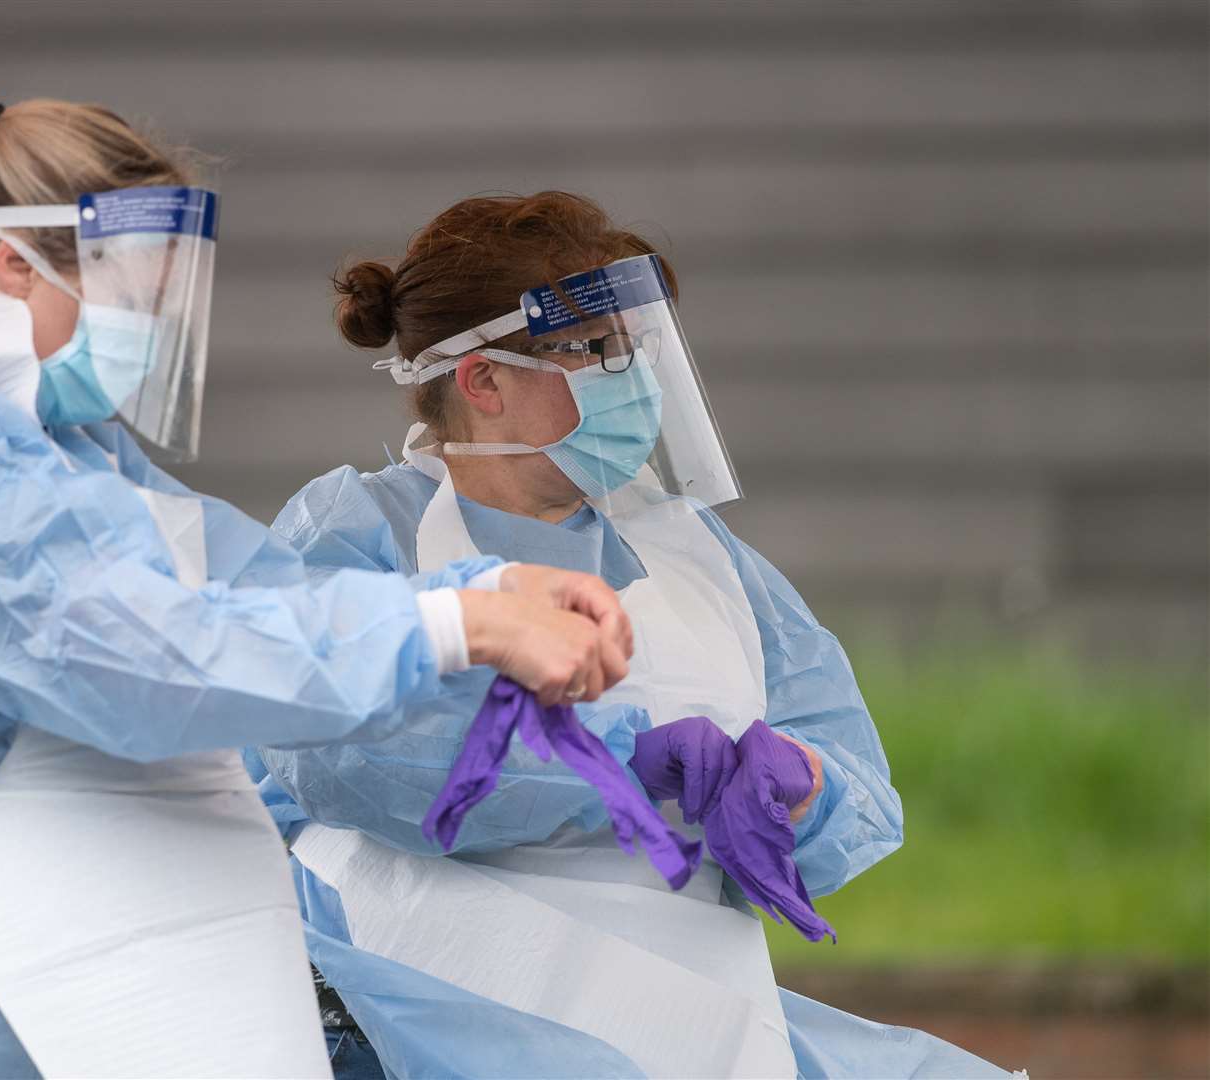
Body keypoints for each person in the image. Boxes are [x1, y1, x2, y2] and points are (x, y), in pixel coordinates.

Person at [0, 72, 636, 1079]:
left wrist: (473, 595)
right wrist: (453, 626)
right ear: (22, 266)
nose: (147, 338)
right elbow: (156, 657)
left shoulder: (37, 438)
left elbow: (233, 590)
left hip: (89, 916)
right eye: (134, 303)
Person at [253, 192, 1017, 1078]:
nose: (628, 376)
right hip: (427, 1008)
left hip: (685, 1011)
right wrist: (623, 765)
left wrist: (798, 789)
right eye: (587, 349)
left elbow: (857, 791)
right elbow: (339, 749)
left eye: (630, 345)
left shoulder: (697, 551)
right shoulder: (357, 532)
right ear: (483, 378)